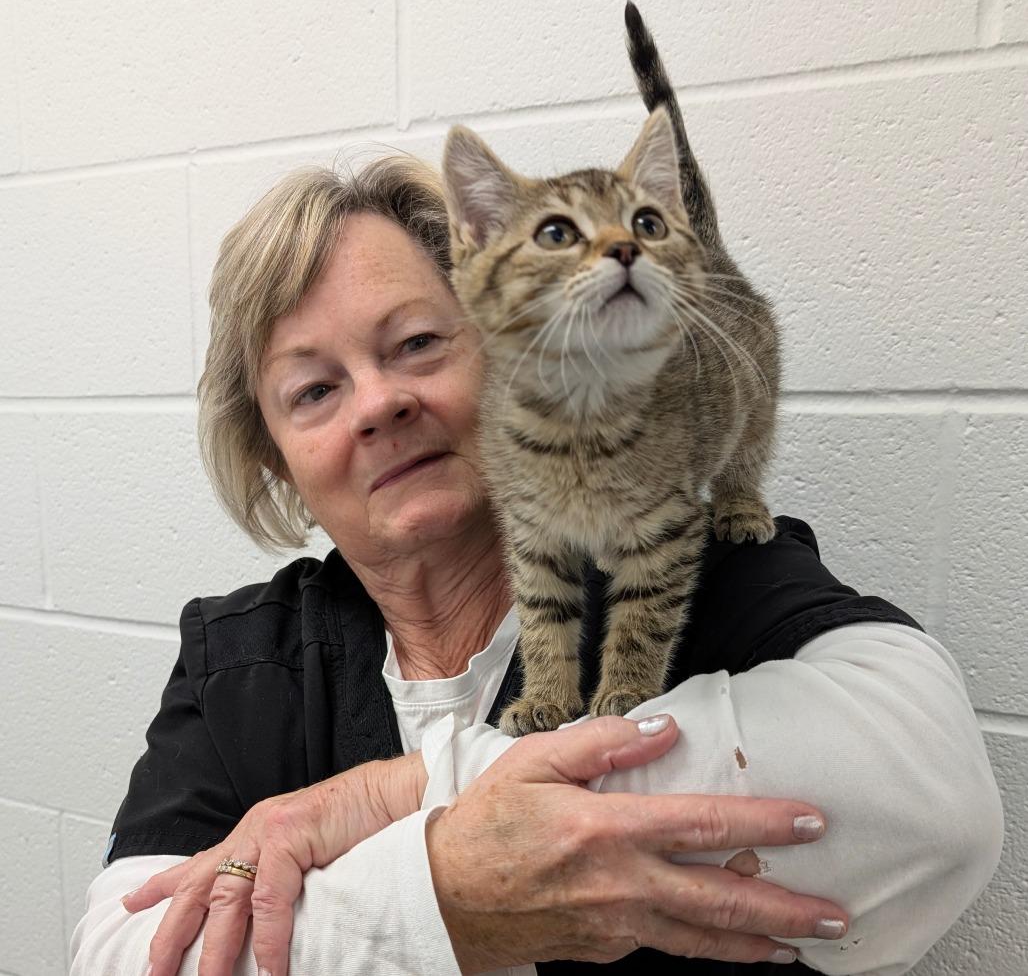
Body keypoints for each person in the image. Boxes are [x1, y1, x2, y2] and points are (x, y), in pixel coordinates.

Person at [70, 154, 1003, 976]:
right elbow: (119, 954)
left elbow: (934, 803)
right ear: (277, 456)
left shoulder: (685, 564)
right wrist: (447, 901)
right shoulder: (239, 663)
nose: (381, 402)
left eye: (420, 344)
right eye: (315, 390)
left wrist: (397, 798)